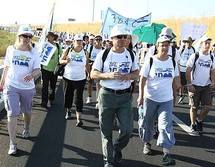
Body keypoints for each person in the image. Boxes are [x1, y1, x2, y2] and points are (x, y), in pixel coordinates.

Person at [91, 24, 139, 167]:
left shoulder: (130, 54)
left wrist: (128, 76)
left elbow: (136, 74)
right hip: (107, 96)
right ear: (112, 39)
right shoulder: (104, 54)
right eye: (119, 36)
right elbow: (93, 74)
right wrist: (108, 75)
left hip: (125, 97)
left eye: (125, 36)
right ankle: (108, 160)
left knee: (127, 130)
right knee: (106, 130)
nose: (123, 39)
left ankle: (116, 148)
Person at [137, 36, 180, 166]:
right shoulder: (150, 60)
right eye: (162, 45)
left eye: (167, 45)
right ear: (157, 46)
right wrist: (141, 95)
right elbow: (142, 79)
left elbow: (174, 81)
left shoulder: (172, 62)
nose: (165, 47)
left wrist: (175, 95)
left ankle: (166, 153)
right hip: (150, 98)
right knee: (147, 123)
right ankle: (147, 143)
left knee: (165, 125)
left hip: (166, 99)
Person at [0, 25, 41, 155]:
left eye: (29, 36)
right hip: (11, 85)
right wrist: (2, 80)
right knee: (12, 113)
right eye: (24, 36)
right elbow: (6, 66)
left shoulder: (34, 52)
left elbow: (38, 69)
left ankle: (27, 127)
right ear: (19, 36)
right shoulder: (10, 49)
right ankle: (13, 143)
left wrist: (32, 75)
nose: (27, 38)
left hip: (27, 88)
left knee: (27, 111)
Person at [186, 35, 215, 136]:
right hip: (194, 85)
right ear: (201, 44)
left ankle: (199, 120)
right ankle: (193, 124)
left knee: (207, 106)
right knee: (194, 107)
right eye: (205, 43)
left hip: (206, 85)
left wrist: (213, 82)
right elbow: (188, 69)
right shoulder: (195, 56)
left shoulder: (211, 57)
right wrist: (189, 84)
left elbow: (212, 70)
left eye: (209, 43)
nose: (207, 45)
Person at [60, 34, 90, 126]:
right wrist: (66, 61)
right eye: (77, 41)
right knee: (68, 96)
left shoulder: (85, 52)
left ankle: (78, 118)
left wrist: (89, 74)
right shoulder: (68, 50)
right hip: (68, 78)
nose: (79, 43)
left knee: (78, 98)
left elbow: (87, 64)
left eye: (81, 41)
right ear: (74, 42)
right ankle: (68, 111)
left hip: (80, 78)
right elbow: (60, 61)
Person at [41, 32, 63, 108]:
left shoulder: (57, 46)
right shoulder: (44, 45)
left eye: (49, 36)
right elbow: (40, 55)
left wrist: (62, 62)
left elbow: (62, 55)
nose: (48, 38)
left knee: (52, 87)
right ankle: (44, 101)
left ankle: (51, 99)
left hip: (54, 70)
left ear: (53, 37)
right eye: (47, 37)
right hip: (45, 69)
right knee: (45, 86)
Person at [86, 35, 103, 107]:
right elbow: (86, 59)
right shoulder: (91, 47)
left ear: (101, 41)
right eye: (97, 39)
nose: (98, 41)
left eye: (99, 39)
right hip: (91, 65)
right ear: (94, 40)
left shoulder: (103, 49)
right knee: (90, 82)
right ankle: (89, 97)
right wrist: (87, 70)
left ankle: (98, 100)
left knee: (98, 84)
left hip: (99, 67)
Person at [178, 37, 195, 104]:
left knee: (189, 83)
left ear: (191, 42)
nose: (188, 43)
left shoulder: (193, 49)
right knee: (182, 84)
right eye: (187, 42)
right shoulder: (182, 49)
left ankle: (190, 99)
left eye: (189, 42)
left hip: (190, 69)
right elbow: (177, 58)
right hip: (182, 69)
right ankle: (181, 97)